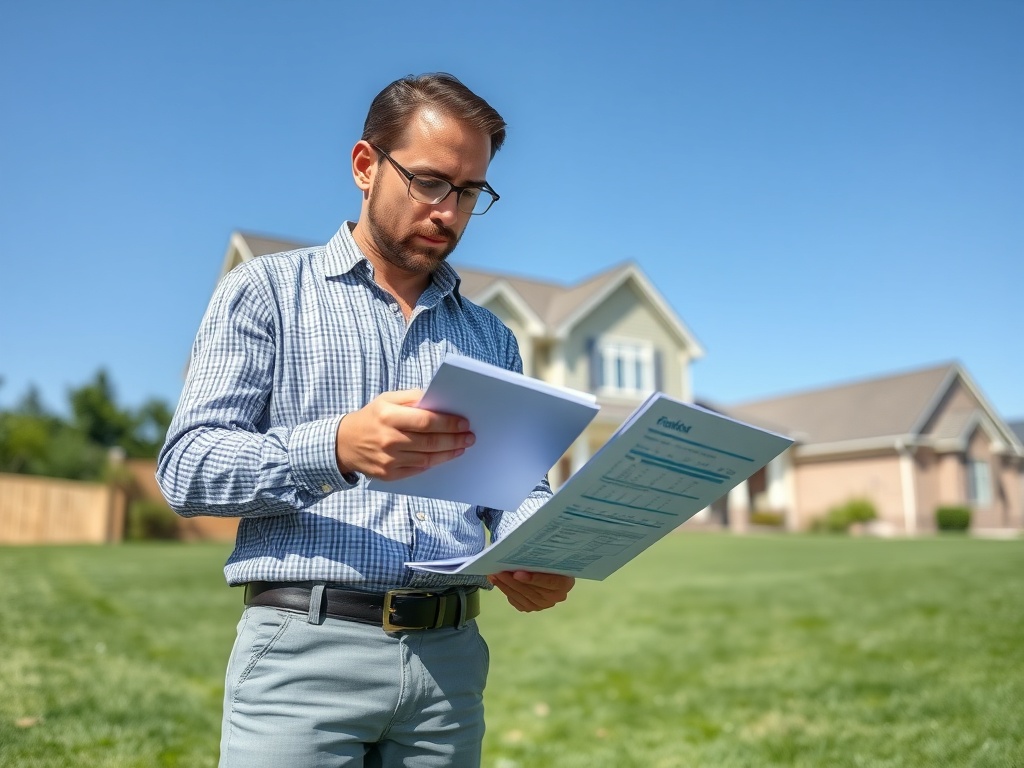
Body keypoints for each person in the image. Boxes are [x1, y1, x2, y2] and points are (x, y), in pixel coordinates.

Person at [156, 72, 575, 767]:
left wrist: (536, 550)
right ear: (364, 166)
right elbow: (188, 469)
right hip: (303, 654)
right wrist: (339, 447)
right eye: (432, 182)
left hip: (450, 666)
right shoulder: (266, 292)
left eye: (471, 192)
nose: (449, 211)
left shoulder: (491, 337)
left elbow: (516, 489)